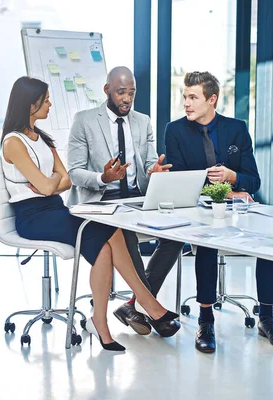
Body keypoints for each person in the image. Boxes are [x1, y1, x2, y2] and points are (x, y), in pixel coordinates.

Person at [0, 76, 179, 352]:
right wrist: (51, 183)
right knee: (107, 231)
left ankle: (103, 321)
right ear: (31, 103)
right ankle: (146, 305)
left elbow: (64, 181)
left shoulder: (42, 137)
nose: (50, 103)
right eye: (45, 99)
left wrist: (50, 184)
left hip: (56, 209)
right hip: (32, 217)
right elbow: (53, 182)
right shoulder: (13, 142)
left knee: (107, 239)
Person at [165, 71, 273, 353]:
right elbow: (180, 182)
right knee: (207, 243)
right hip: (200, 210)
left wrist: (233, 177)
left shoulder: (236, 128)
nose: (186, 103)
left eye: (193, 97)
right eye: (185, 97)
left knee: (269, 242)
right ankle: (206, 319)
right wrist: (218, 192)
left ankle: (267, 318)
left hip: (239, 209)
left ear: (212, 100)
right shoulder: (175, 131)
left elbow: (253, 181)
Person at [67, 66, 183, 338]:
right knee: (122, 230)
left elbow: (150, 162)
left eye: (131, 93)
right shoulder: (84, 120)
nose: (127, 99)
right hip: (100, 201)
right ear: (107, 90)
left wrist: (154, 171)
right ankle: (150, 306)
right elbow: (74, 171)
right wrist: (103, 177)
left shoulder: (143, 122)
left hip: (136, 198)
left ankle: (132, 304)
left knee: (176, 235)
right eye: (121, 92)